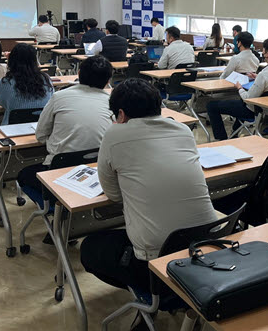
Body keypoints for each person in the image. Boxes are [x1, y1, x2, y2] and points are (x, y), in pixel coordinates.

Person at [80, 78, 217, 291]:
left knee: (90, 248)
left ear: (121, 114)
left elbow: (114, 195)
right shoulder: (182, 130)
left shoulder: (115, 134)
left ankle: (155, 293)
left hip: (157, 261)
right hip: (208, 246)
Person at [17, 55, 114, 203]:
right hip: (100, 172)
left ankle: (50, 206)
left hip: (59, 172)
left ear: (79, 74)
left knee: (23, 174)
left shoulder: (59, 97)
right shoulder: (112, 102)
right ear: (108, 81)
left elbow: (41, 135)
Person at [208, 38, 268, 141]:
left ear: (267, 54)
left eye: (264, 50)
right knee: (236, 103)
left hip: (254, 110)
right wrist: (257, 77)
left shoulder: (264, 74)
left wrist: (240, 88)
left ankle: (221, 139)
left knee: (211, 106)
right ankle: (234, 132)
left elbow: (247, 98)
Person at [0, 43, 54, 125]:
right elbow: (50, 99)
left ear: (11, 60)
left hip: (12, 130)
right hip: (40, 127)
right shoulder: (46, 79)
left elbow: (2, 103)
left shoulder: (4, 83)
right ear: (35, 61)